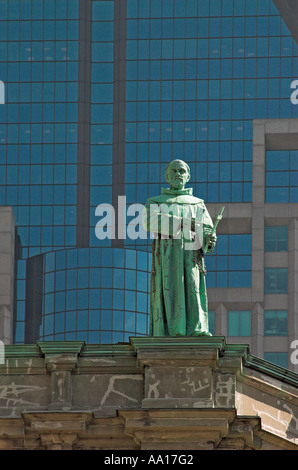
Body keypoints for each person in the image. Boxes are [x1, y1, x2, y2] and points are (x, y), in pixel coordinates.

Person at [142, 159, 216, 337]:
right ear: (167, 176)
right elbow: (149, 222)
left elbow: (206, 230)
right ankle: (172, 331)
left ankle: (196, 329)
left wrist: (209, 238)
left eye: (182, 171)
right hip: (168, 254)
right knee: (170, 289)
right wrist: (185, 223)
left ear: (188, 176)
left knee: (192, 286)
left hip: (191, 254)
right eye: (174, 171)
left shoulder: (197, 204)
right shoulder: (155, 201)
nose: (178, 174)